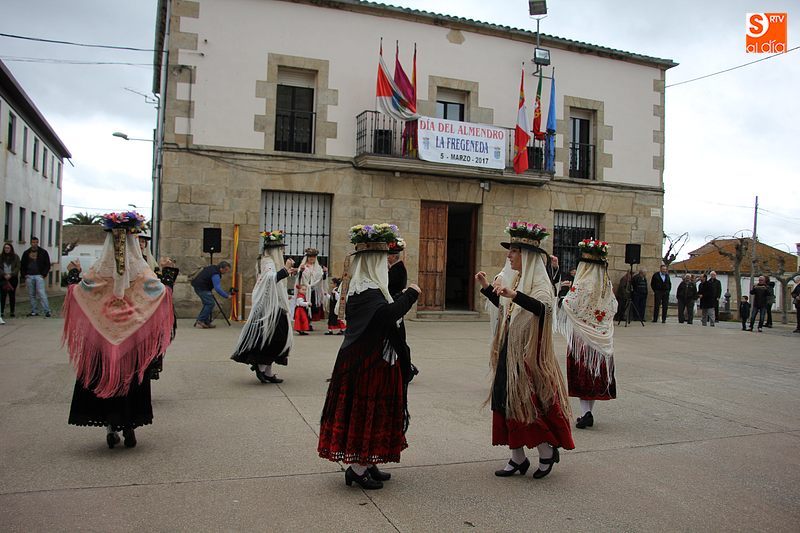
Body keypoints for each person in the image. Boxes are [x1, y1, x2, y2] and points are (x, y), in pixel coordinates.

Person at [318, 223, 419, 490]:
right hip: (366, 364)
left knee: (376, 411)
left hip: (372, 361)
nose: (388, 265)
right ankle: (357, 468)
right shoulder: (366, 292)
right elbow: (384, 317)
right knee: (366, 410)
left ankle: (368, 460)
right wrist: (411, 295)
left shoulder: (369, 289)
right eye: (383, 260)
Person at [63, 211, 174, 449]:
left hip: (102, 344)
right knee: (130, 380)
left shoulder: (98, 271)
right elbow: (160, 293)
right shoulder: (141, 271)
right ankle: (129, 426)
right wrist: (168, 274)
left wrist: (73, 274)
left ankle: (111, 426)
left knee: (104, 377)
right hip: (131, 343)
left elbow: (79, 292)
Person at [475, 221, 574, 480]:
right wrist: (487, 288)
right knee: (504, 400)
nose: (509, 256)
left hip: (527, 355)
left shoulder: (539, 283)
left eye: (514, 251)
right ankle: (517, 458)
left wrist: (515, 295)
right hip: (511, 348)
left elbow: (544, 309)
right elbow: (507, 306)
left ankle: (545, 452)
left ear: (527, 255)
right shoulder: (518, 279)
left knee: (527, 404)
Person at [554, 239, 617, 430]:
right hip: (600, 337)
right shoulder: (606, 285)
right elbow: (613, 306)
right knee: (593, 375)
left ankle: (585, 413)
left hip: (582, 338)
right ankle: (588, 412)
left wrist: (564, 290)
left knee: (582, 374)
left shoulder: (581, 284)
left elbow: (567, 305)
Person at [231, 229, 296, 384]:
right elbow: (269, 279)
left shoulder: (272, 262)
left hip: (276, 306)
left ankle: (267, 371)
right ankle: (261, 369)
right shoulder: (267, 261)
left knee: (278, 338)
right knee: (272, 339)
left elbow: (275, 279)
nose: (282, 251)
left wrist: (286, 272)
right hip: (269, 309)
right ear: (273, 249)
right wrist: (285, 270)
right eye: (280, 248)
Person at [190, 260, 232, 328]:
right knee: (210, 303)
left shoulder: (213, 267)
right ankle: (200, 321)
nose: (226, 272)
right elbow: (217, 288)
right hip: (202, 288)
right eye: (226, 270)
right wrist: (226, 296)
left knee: (208, 303)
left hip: (199, 286)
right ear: (221, 268)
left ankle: (205, 322)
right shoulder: (216, 274)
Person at [20, 236, 51, 317]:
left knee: (41, 293)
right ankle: (34, 311)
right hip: (29, 276)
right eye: (33, 242)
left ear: (38, 243)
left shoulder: (43, 252)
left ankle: (47, 311)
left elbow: (47, 264)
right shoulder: (26, 253)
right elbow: (22, 265)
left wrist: (43, 274)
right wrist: (24, 274)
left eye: (36, 242)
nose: (34, 244)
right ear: (31, 243)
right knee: (31, 294)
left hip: (39, 276)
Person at [298, 247, 328, 323]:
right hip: (305, 291)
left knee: (313, 307)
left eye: (314, 257)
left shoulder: (318, 267)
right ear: (307, 257)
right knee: (305, 307)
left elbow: (321, 278)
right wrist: (301, 271)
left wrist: (324, 273)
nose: (312, 258)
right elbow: (299, 278)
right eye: (310, 257)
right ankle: (305, 324)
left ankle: (309, 323)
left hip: (314, 291)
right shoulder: (303, 266)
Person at [1, 242, 21, 318]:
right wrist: (4, 274)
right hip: (3, 278)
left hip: (12, 278)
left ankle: (12, 311)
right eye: (5, 248)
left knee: (12, 295)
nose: (6, 249)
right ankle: (1, 311)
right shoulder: (1, 257)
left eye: (8, 248)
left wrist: (11, 274)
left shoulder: (15, 257)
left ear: (11, 249)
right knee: (3, 295)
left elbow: (17, 266)